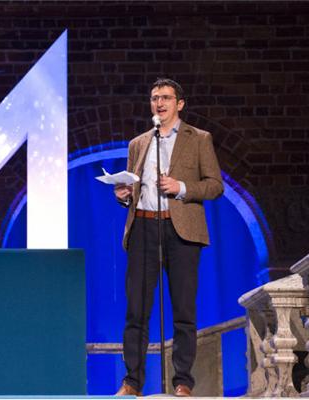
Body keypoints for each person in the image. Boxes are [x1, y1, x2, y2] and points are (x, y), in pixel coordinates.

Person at [114, 78, 223, 397]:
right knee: (136, 310)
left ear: (180, 103)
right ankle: (132, 382)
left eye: (165, 97)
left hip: (181, 231)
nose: (159, 103)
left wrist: (182, 188)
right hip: (143, 227)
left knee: (184, 309)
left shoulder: (199, 138)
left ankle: (183, 382)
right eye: (154, 98)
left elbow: (215, 185)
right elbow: (133, 187)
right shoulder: (138, 143)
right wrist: (124, 195)